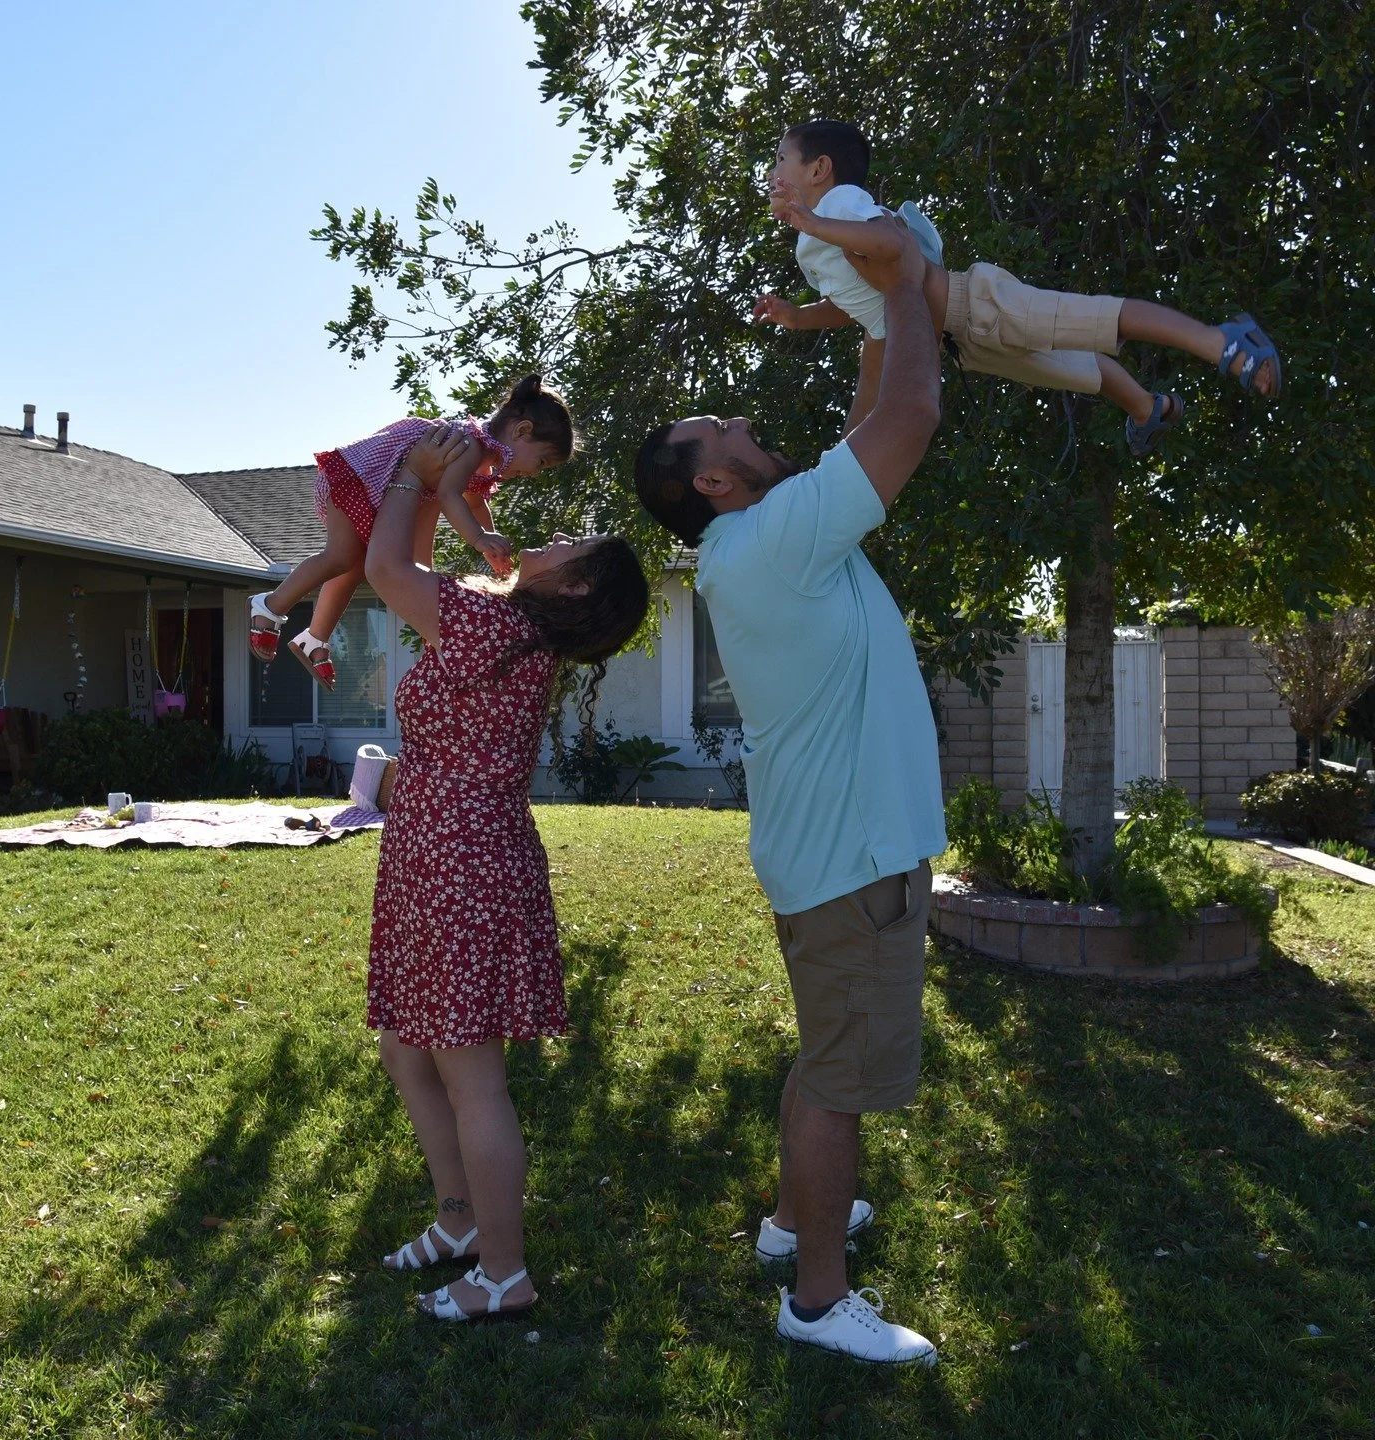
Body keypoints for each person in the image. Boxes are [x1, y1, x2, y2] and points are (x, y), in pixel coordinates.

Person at [635, 215, 945, 1364]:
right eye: (723, 430)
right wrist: (904, 279)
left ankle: (788, 1223)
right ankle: (817, 1301)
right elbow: (908, 418)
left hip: (830, 854)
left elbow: (868, 417)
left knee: (823, 1057)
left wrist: (869, 312)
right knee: (837, 1081)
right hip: (853, 863)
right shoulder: (772, 542)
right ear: (715, 481)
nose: (742, 420)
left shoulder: (766, 534)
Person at [363, 424, 648, 1323]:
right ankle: (459, 1221)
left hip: (459, 861)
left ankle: (503, 1271)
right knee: (407, 1049)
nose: (553, 537)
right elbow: (413, 569)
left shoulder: (495, 623)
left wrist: (410, 472)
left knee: (470, 1077)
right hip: (443, 854)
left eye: (572, 544)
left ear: (577, 585)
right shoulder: (508, 627)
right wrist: (429, 493)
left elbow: (385, 570)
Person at [754, 119, 1282, 451]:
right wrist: (796, 316)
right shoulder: (814, 242)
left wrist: (812, 221)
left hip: (976, 302)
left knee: (1096, 319)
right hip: (963, 341)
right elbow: (855, 305)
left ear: (820, 169)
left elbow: (892, 245)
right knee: (1070, 367)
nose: (773, 169)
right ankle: (1149, 408)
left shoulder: (839, 204)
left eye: (780, 159)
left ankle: (1221, 340)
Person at [248, 375, 576, 690]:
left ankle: (315, 639)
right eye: (542, 462)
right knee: (341, 555)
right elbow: (449, 495)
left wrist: (491, 544)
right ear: (522, 431)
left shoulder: (483, 461)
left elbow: (475, 504)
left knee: (354, 565)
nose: (536, 473)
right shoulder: (470, 445)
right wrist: (478, 539)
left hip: (379, 493)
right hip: (359, 480)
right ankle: (270, 605)